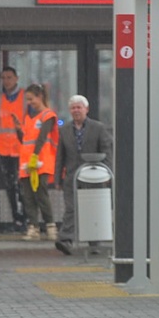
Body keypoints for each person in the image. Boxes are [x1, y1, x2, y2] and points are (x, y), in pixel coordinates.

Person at [55, 94, 114, 254]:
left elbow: (107, 151)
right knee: (71, 208)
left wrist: (107, 172)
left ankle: (94, 242)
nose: (76, 110)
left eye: (79, 107)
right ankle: (65, 240)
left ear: (86, 109)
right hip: (72, 177)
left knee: (93, 208)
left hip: (94, 175)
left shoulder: (98, 128)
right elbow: (60, 155)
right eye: (73, 108)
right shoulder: (64, 130)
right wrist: (57, 178)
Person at [16, 84, 58, 240]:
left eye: (31, 99)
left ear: (40, 96)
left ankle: (50, 226)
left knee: (41, 193)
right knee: (28, 196)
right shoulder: (29, 119)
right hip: (27, 162)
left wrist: (35, 156)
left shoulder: (47, 115)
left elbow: (42, 138)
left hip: (40, 160)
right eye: (27, 100)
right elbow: (25, 140)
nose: (29, 102)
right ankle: (33, 227)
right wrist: (17, 130)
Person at [0, 66, 26, 232]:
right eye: (3, 77)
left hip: (21, 149)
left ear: (16, 78)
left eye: (9, 77)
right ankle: (16, 219)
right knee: (10, 186)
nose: (6, 81)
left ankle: (24, 218)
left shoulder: (25, 98)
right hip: (4, 149)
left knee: (22, 185)